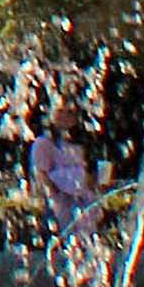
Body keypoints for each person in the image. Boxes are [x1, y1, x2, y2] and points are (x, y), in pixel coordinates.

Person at [24, 110, 100, 264]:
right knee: (64, 232)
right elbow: (41, 173)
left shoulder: (83, 139)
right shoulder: (44, 143)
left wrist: (92, 179)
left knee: (87, 233)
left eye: (69, 112)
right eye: (61, 112)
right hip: (59, 195)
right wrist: (55, 187)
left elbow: (92, 167)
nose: (66, 117)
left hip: (83, 195)